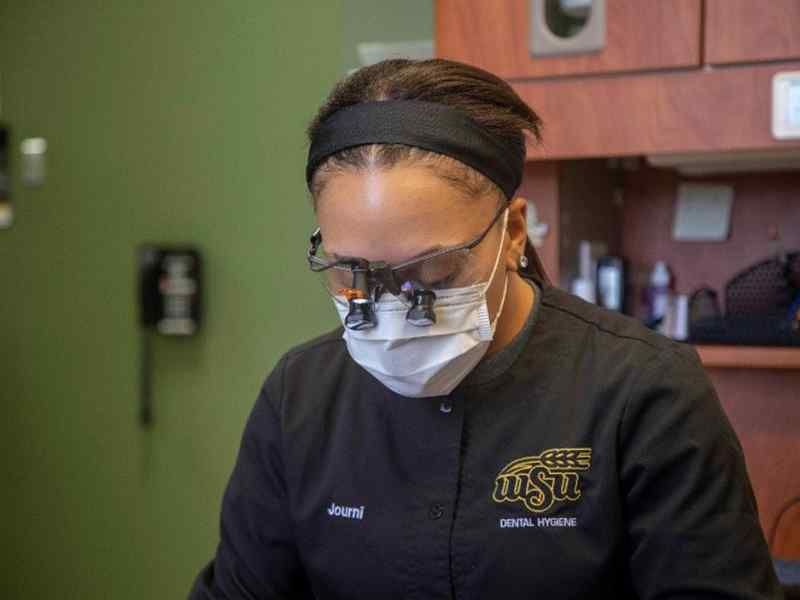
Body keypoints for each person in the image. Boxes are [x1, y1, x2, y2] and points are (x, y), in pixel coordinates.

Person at [188, 58, 782, 599]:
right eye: (354, 273)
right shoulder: (301, 397)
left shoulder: (644, 393)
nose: (393, 310)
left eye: (433, 271)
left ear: (513, 233)